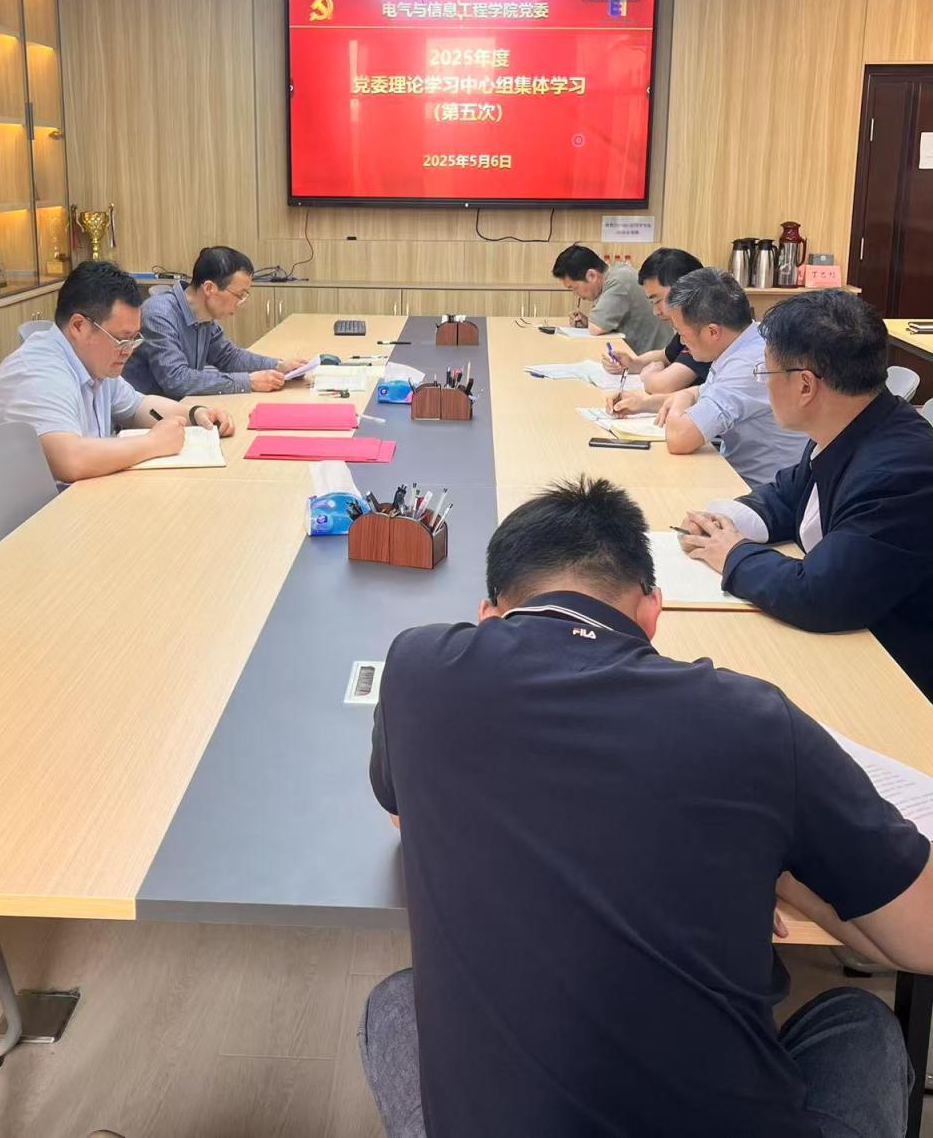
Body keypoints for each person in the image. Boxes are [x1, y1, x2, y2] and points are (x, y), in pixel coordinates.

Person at [362, 478, 933, 1138]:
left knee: (395, 1002)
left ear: (491, 615)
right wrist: (772, 865)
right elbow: (922, 936)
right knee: (862, 1022)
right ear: (653, 611)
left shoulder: (417, 670)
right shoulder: (752, 721)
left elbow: (404, 816)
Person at [677, 290, 933, 700]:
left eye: (766, 372)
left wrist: (733, 553)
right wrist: (725, 523)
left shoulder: (900, 471)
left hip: (899, 675)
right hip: (858, 643)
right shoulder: (853, 422)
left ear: (805, 386)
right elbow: (787, 494)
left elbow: (819, 595)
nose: (763, 383)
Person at [0, 262, 234, 566]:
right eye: (122, 339)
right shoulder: (41, 371)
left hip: (56, 508)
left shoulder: (94, 360)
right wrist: (154, 443)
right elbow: (71, 460)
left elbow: (137, 406)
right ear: (79, 326)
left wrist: (194, 413)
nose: (129, 350)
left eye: (134, 339)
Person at [655, 267, 807, 486]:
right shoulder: (750, 338)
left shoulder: (749, 364)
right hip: (736, 477)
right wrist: (646, 402)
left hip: (759, 490)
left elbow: (680, 439)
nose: (681, 341)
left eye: (682, 333)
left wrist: (679, 400)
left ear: (712, 332)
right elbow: (702, 392)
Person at [123, 246, 305, 398]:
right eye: (239, 295)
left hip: (180, 407)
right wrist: (248, 382)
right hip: (147, 419)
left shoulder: (203, 316)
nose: (241, 303)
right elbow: (176, 380)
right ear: (209, 288)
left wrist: (279, 366)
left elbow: (228, 357)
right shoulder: (159, 314)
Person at [601, 247, 711, 411]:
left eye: (658, 301)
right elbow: (665, 355)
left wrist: (649, 376)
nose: (656, 311)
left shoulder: (704, 330)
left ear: (684, 291)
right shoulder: (687, 326)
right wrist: (634, 363)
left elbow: (664, 385)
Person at [551, 243, 671, 356]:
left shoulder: (619, 281)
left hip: (654, 361)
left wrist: (593, 323)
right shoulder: (616, 273)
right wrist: (588, 322)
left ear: (591, 275)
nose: (575, 294)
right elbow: (599, 324)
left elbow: (596, 328)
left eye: (574, 288)